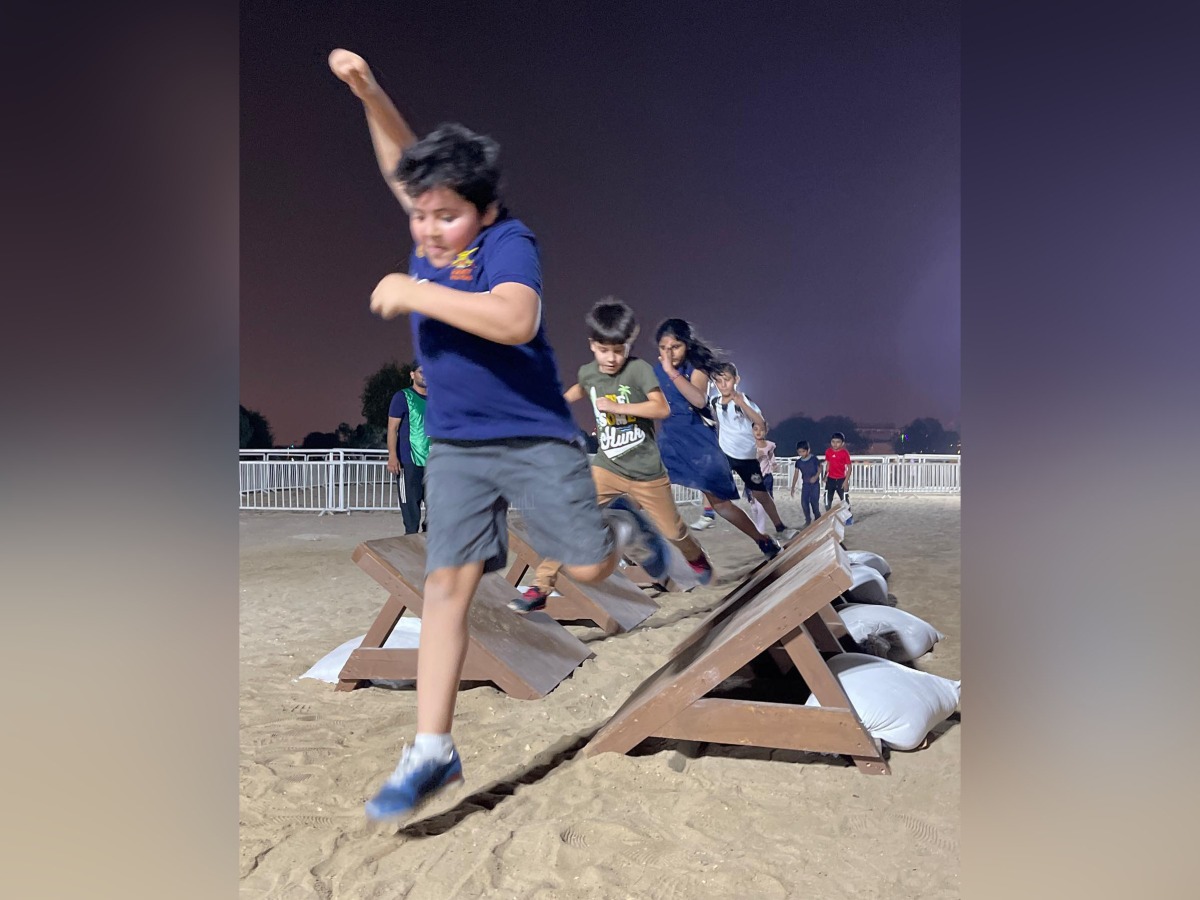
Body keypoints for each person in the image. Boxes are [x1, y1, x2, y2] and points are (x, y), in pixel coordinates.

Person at [329, 48, 674, 823]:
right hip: (454, 446)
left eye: (444, 215)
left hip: (530, 436)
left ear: (482, 211)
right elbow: (401, 161)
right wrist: (370, 90)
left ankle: (618, 525)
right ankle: (433, 749)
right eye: (419, 213)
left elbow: (516, 319)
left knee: (585, 563)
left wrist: (417, 289)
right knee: (446, 585)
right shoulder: (430, 228)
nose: (427, 228)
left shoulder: (506, 243)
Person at [515, 300, 714, 610]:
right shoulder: (589, 373)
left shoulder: (638, 370)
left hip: (647, 472)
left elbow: (661, 408)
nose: (611, 358)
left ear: (628, 345)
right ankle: (540, 587)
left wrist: (618, 407)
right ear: (592, 345)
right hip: (607, 469)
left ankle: (696, 557)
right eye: (604, 350)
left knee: (673, 530)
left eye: (618, 350)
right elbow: (575, 391)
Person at [653, 318, 781, 559]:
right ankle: (655, 555)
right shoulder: (655, 370)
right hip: (669, 440)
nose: (668, 354)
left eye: (675, 347)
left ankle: (763, 540)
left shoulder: (696, 367)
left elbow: (699, 400)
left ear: (687, 345)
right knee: (647, 494)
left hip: (699, 444)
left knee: (721, 504)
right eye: (663, 348)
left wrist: (671, 373)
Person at [708, 362, 791, 538]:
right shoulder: (714, 401)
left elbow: (760, 422)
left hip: (746, 457)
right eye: (718, 381)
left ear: (736, 380)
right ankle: (707, 513)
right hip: (725, 453)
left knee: (760, 493)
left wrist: (742, 404)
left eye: (727, 380)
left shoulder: (743, 399)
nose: (723, 385)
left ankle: (780, 526)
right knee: (708, 478)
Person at [387, 361, 429, 535]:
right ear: (412, 374)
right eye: (421, 371)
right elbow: (392, 428)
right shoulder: (402, 397)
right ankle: (411, 542)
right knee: (411, 510)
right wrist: (392, 455)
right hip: (409, 461)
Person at [823, 431, 854, 522]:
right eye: (833, 442)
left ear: (842, 443)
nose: (835, 444)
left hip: (841, 479)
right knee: (827, 499)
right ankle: (828, 516)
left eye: (838, 442)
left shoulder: (844, 453)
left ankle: (848, 518)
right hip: (831, 479)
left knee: (844, 499)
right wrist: (825, 475)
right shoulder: (828, 452)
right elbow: (828, 464)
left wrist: (846, 481)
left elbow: (849, 467)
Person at [790, 440, 821, 526]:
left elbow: (820, 468)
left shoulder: (814, 459)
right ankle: (808, 520)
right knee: (804, 502)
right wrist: (793, 487)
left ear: (808, 450)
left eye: (803, 451)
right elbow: (796, 475)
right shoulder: (798, 462)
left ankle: (817, 517)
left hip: (814, 485)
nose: (801, 453)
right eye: (799, 452)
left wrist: (815, 477)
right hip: (806, 484)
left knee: (814, 502)